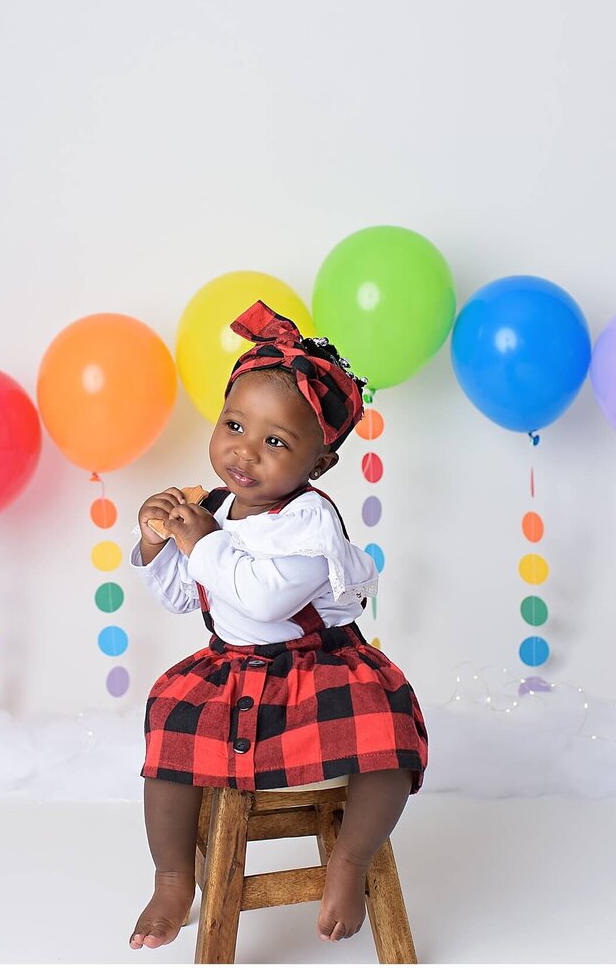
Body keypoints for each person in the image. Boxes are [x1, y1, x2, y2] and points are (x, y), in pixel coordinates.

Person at [127, 300, 428, 950]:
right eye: (234, 423)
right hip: (233, 666)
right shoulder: (213, 507)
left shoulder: (309, 522)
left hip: (314, 666)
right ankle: (174, 874)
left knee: (386, 734)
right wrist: (157, 544)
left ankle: (349, 859)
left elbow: (263, 599)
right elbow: (189, 595)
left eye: (276, 441)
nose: (245, 451)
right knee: (168, 722)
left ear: (317, 465)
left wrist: (201, 540)